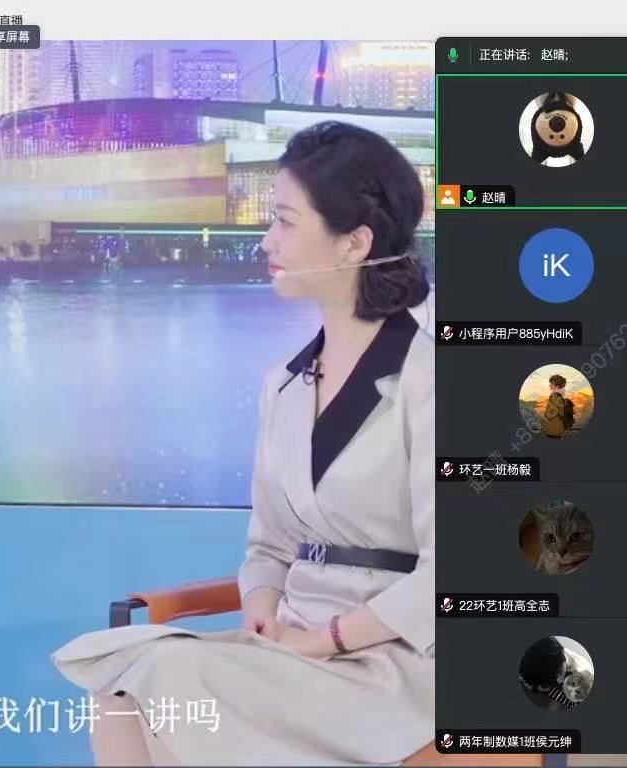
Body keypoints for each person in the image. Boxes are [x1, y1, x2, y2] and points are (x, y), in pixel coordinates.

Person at [52, 121, 434, 766]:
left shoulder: (431, 373)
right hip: (293, 647)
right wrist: (260, 606)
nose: (266, 241)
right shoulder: (284, 383)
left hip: (397, 661)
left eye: (284, 221)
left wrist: (329, 638)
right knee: (119, 683)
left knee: (170, 677)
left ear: (354, 242)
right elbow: (269, 545)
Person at [542, 374, 569, 438]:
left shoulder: (555, 396)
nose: (549, 385)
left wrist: (544, 419)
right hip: (557, 425)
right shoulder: (559, 395)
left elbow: (553, 411)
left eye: (552, 384)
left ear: (557, 386)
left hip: (553, 426)